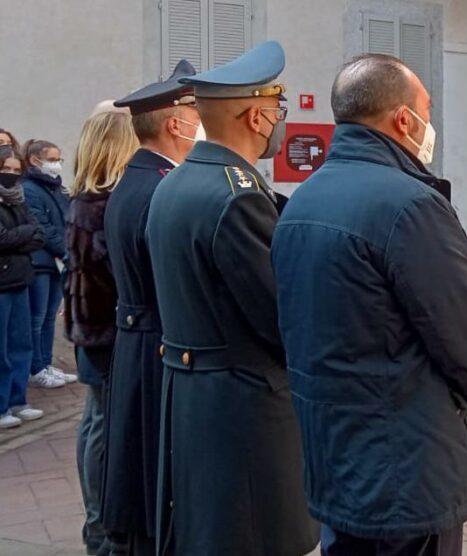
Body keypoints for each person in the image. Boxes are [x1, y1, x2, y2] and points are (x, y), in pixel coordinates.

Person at [272, 53, 467, 556]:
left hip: (333, 452)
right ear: (404, 120)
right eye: (427, 108)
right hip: (407, 463)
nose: (431, 124)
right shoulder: (411, 204)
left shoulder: (303, 200)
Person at [145, 41, 318, 555]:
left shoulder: (178, 182)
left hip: (194, 392)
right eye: (277, 111)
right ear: (258, 116)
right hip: (243, 402)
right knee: (255, 536)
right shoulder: (237, 194)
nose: (280, 123)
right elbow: (279, 319)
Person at [102, 59, 200, 556]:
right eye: (194, 110)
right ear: (174, 123)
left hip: (139, 339)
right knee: (154, 484)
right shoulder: (161, 185)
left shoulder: (140, 178)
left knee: (144, 477)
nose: (201, 119)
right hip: (155, 344)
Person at [64, 110, 138, 555]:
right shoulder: (107, 203)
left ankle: (97, 523)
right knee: (104, 427)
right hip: (108, 331)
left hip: (89, 327)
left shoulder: (85, 196)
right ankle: (101, 524)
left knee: (94, 423)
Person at [20, 139, 76, 389]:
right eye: (52, 159)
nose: (57, 165)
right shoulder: (30, 188)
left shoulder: (55, 187)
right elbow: (43, 226)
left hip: (56, 262)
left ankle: (46, 362)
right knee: (37, 317)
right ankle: (36, 367)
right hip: (41, 260)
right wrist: (66, 251)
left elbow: (66, 219)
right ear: (35, 160)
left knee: (49, 316)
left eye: (58, 159)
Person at [0, 145, 45, 429]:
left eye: (16, 170)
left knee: (21, 344)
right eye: (6, 169)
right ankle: (2, 406)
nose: (11, 175)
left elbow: (38, 234)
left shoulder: (20, 200)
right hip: (2, 282)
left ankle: (19, 400)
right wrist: (23, 236)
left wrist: (19, 237)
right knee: (1, 348)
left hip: (20, 279)